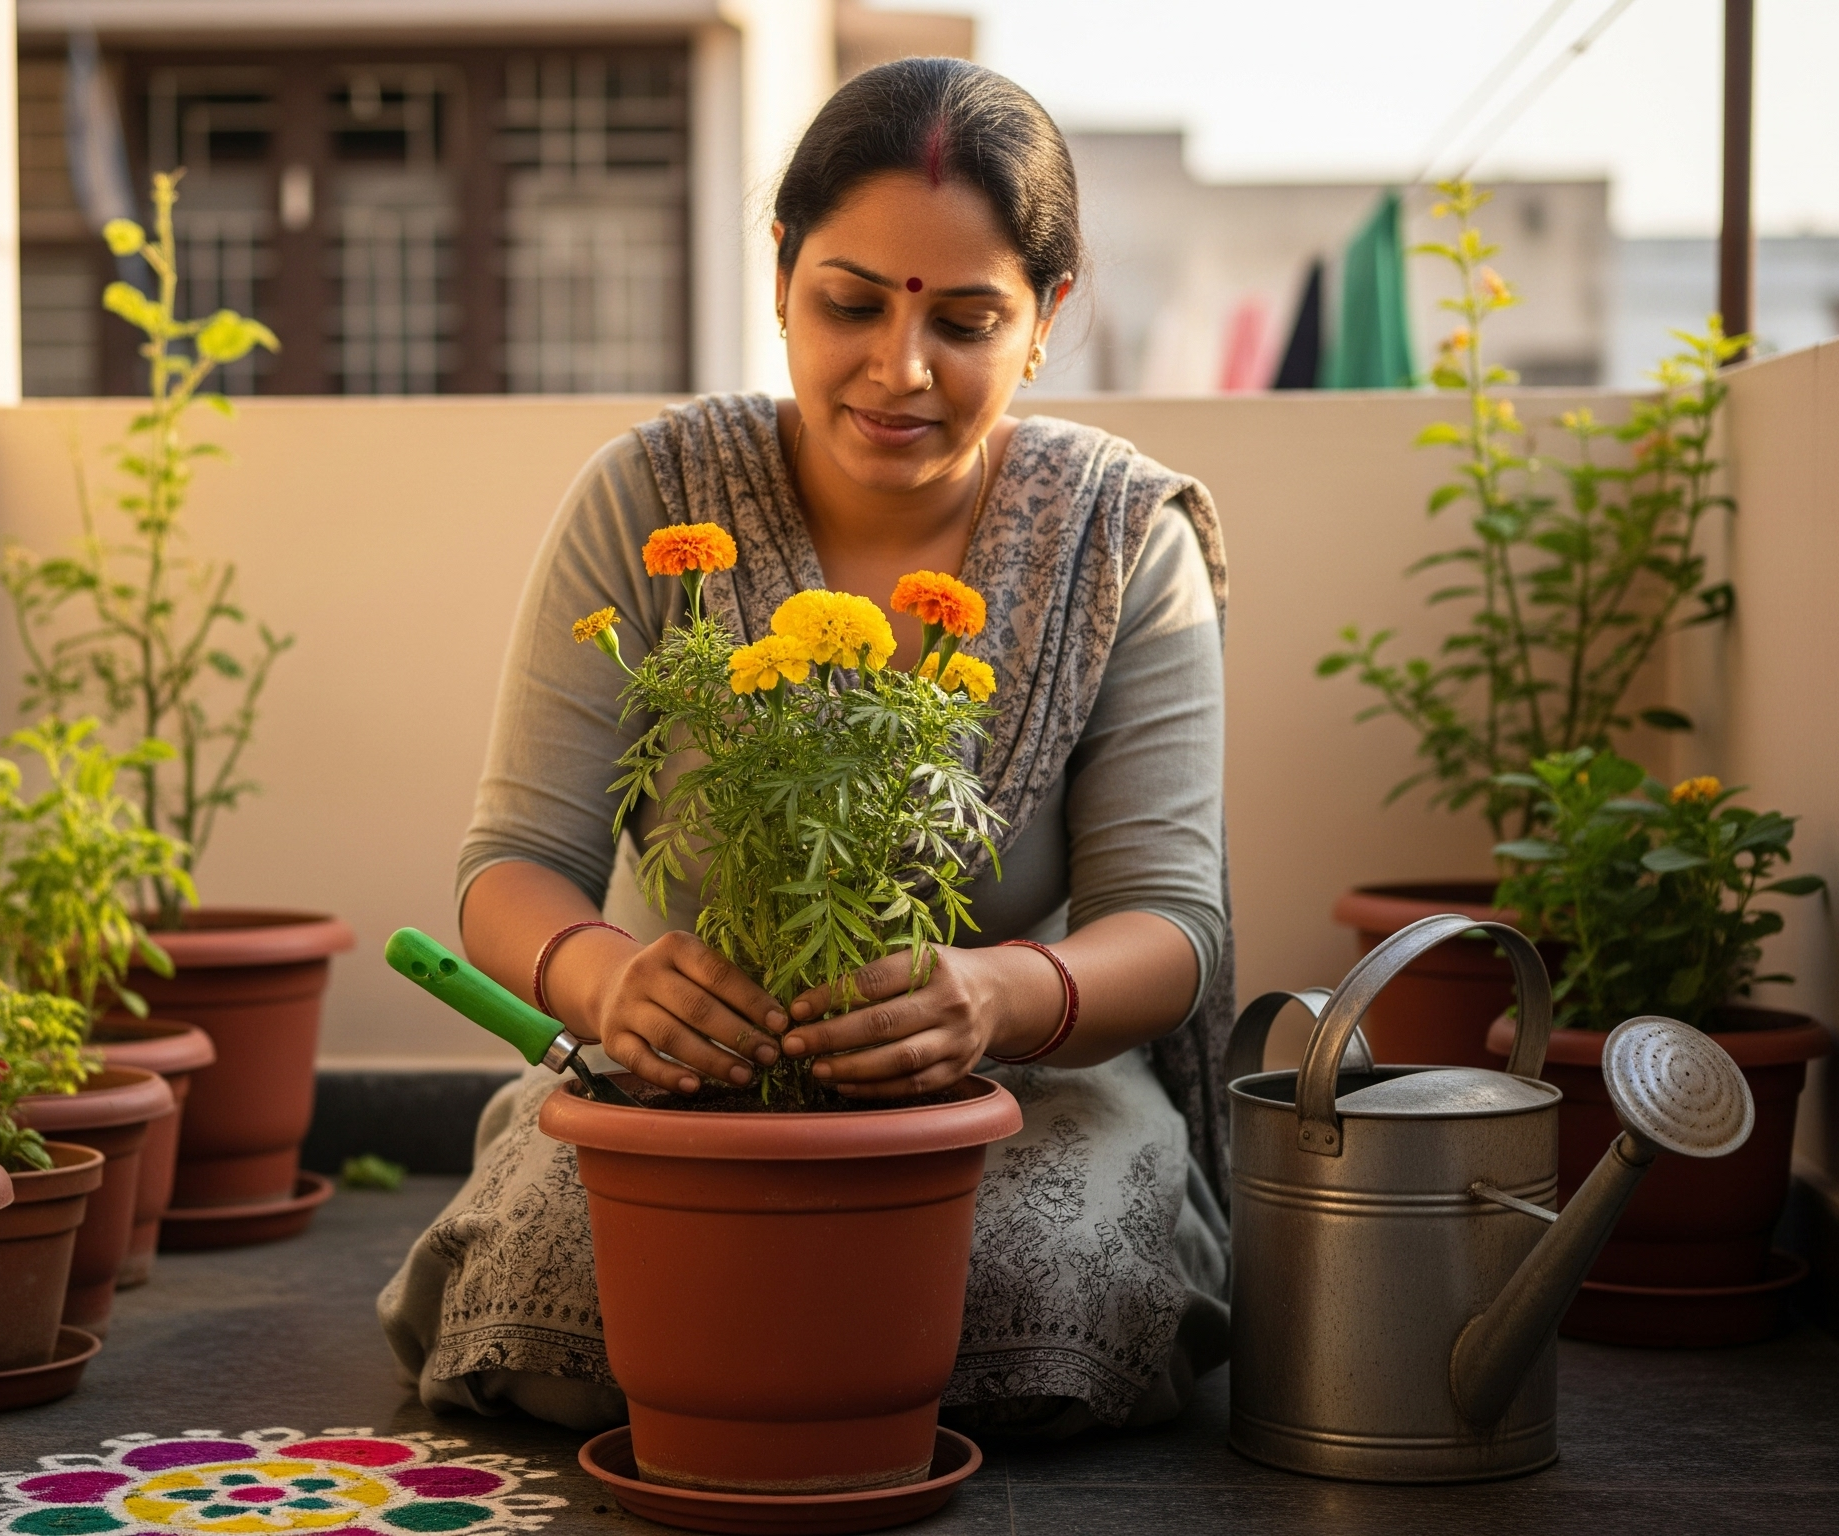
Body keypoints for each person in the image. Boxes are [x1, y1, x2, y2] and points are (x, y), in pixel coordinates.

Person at [378, 55, 1234, 1439]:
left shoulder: (1120, 539)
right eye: (849, 304)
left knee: (1041, 1302)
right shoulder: (650, 497)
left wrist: (994, 999)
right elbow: (512, 865)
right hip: (682, 1088)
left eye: (967, 321)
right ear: (780, 272)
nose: (901, 370)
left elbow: (1171, 925)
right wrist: (608, 988)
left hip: (1016, 1091)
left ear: (1047, 318)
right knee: (563, 1308)